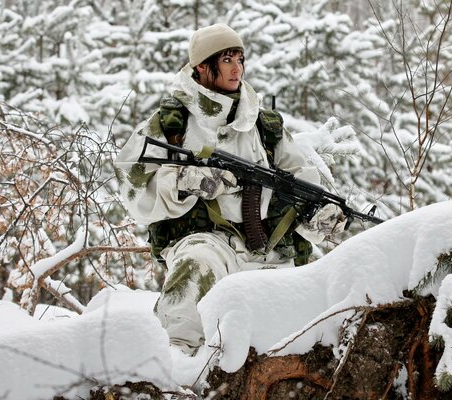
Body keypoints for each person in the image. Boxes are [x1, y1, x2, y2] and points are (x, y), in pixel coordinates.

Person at [115, 23, 345, 354]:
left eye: (240, 58)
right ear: (202, 67)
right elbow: (131, 182)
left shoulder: (263, 124)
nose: (237, 68)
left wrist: (316, 216)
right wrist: (183, 181)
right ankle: (174, 366)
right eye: (226, 59)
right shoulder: (172, 121)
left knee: (305, 316)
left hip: (267, 244)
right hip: (204, 240)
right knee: (195, 269)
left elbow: (300, 180)